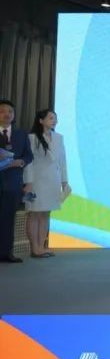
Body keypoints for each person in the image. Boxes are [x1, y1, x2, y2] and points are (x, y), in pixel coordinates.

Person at [21, 109, 67, 258]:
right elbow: (28, 163)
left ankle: (42, 246)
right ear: (41, 120)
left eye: (55, 118)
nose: (54, 121)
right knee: (34, 213)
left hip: (53, 180)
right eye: (51, 118)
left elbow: (62, 161)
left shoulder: (59, 138)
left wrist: (64, 181)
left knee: (46, 213)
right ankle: (35, 248)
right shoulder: (32, 138)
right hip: (36, 181)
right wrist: (28, 182)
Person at [0, 99, 33, 263]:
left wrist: (20, 162)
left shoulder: (21, 134)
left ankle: (6, 253)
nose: (7, 114)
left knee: (8, 219)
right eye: (2, 111)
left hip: (12, 183)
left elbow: (29, 156)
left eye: (10, 111)